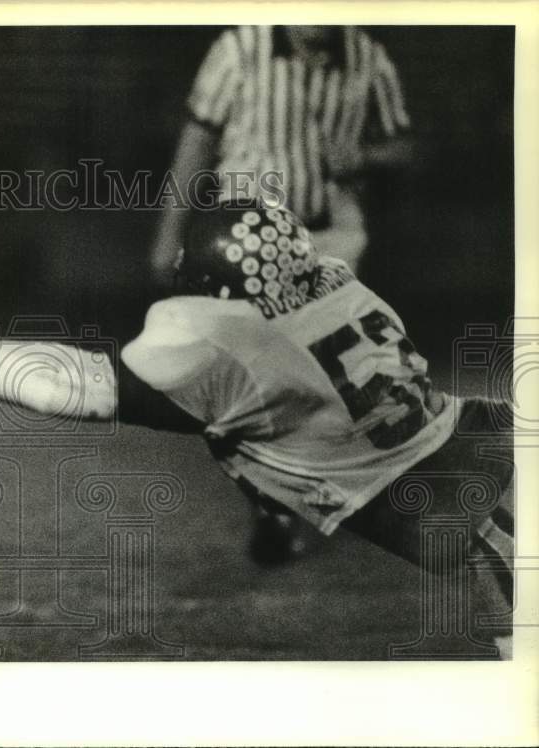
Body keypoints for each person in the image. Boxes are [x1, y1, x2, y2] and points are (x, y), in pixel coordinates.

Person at [0, 199, 514, 658]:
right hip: (492, 438)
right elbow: (341, 241)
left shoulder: (237, 352)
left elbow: (77, 383)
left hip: (483, 512)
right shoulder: (337, 284)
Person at [149, 26, 415, 562]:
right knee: (251, 383)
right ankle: (269, 504)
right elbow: (196, 141)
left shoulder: (365, 56)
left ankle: (297, 492)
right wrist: (168, 235)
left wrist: (364, 157)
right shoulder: (239, 49)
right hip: (246, 241)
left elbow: (402, 145)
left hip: (328, 237)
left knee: (326, 384)